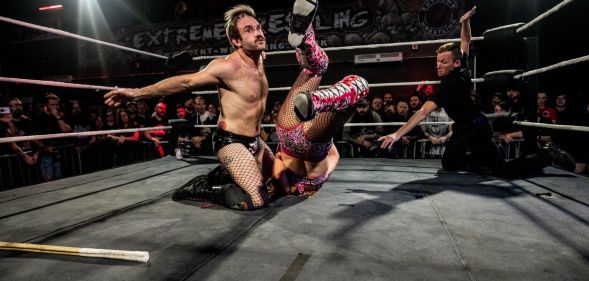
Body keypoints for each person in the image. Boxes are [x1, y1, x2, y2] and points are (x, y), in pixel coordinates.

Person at [105, 4, 275, 210]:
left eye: (258, 28)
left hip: (254, 142)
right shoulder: (226, 66)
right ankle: (199, 188)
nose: (258, 33)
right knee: (257, 199)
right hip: (231, 141)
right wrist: (136, 93)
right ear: (236, 41)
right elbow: (185, 82)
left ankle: (222, 174)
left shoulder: (259, 58)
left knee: (279, 184)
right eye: (249, 30)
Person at [378, 6, 575, 177]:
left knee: (502, 171)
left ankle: (547, 154)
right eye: (438, 62)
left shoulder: (449, 85)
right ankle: (482, 161)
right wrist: (465, 22)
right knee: (449, 164)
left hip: (478, 129)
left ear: (454, 63)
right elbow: (465, 41)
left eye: (443, 62)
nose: (439, 66)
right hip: (462, 129)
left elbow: (422, 112)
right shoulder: (461, 67)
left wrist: (397, 133)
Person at [269, 0, 369, 197]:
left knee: (359, 85)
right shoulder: (318, 147)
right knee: (316, 69)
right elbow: (278, 162)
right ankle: (316, 99)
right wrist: (313, 181)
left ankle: (317, 99)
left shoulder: (319, 152)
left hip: (307, 146)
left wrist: (294, 186)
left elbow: (333, 157)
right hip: (287, 131)